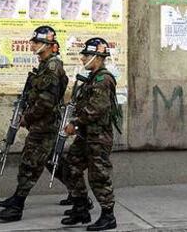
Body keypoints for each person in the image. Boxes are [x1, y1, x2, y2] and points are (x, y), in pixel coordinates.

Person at [0, 26, 69, 222]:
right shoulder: (44, 65)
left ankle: (17, 205)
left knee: (31, 163)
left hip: (45, 125)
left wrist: (27, 117)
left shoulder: (52, 68)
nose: (32, 44)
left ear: (46, 45)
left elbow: (46, 102)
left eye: (36, 42)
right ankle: (81, 197)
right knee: (54, 164)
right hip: (42, 124)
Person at [60, 37, 119, 231]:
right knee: (71, 166)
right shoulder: (92, 78)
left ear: (97, 57)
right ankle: (80, 207)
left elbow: (96, 109)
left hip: (98, 137)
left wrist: (75, 123)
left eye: (86, 55)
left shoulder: (103, 79)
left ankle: (108, 215)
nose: (83, 58)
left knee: (98, 175)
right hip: (86, 135)